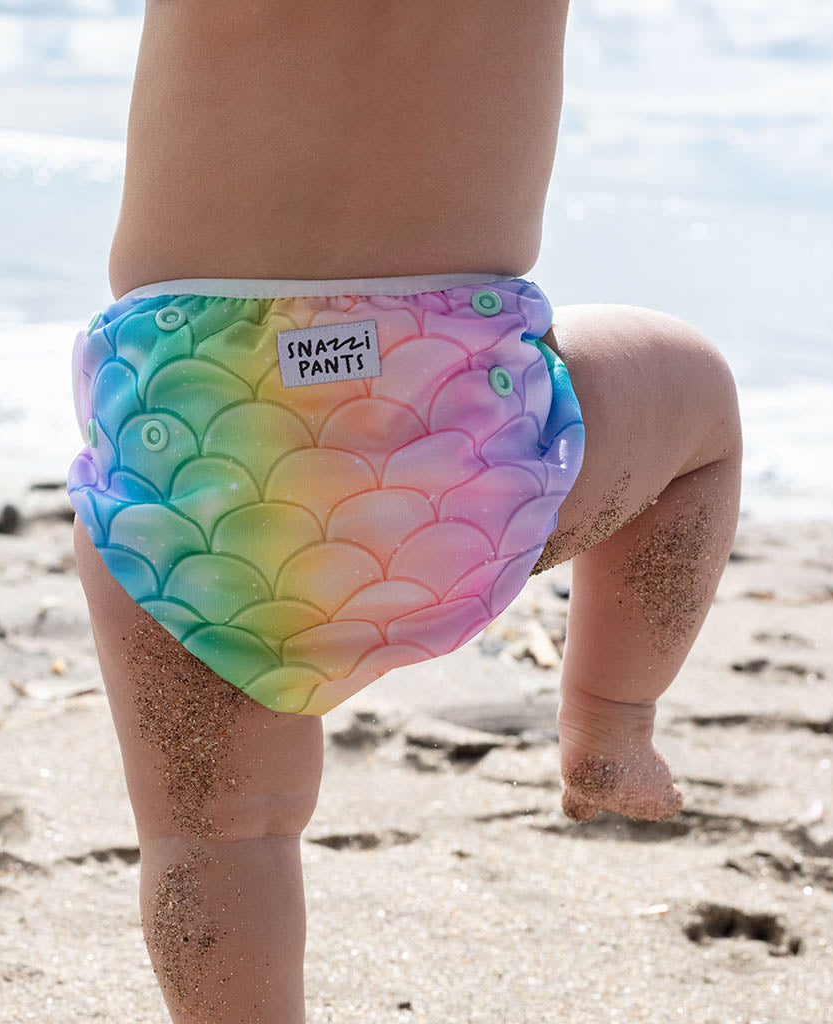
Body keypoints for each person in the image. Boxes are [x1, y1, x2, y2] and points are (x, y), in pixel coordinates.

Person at [68, 2, 742, 1020]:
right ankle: (610, 719)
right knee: (699, 407)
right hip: (463, 459)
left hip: (200, 485)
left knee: (216, 839)